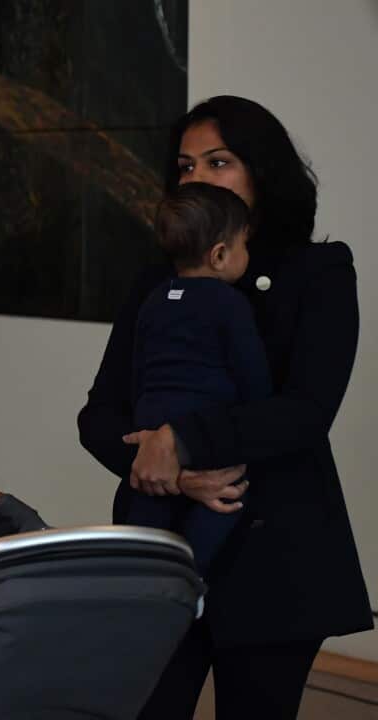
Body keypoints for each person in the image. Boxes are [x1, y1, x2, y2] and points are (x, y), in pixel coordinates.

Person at [78, 95, 372, 719]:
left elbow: (304, 412)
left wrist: (181, 438)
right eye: (186, 167)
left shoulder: (319, 271)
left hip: (276, 564)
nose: (198, 179)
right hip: (162, 554)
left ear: (261, 172)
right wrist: (170, 473)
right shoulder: (158, 281)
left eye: (219, 162)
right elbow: (99, 416)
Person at [124, 182, 270, 575]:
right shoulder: (231, 304)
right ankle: (190, 580)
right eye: (244, 245)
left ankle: (137, 582)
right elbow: (252, 373)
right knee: (223, 499)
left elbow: (138, 370)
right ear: (220, 255)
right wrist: (259, 412)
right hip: (204, 428)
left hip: (151, 428)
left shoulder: (154, 299)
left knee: (147, 513)